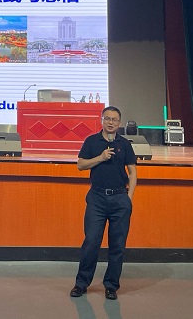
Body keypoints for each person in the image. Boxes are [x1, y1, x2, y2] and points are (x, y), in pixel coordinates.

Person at [70, 106, 137, 301]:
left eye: (114, 119)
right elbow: (80, 165)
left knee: (117, 245)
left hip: (120, 199)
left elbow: (133, 172)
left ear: (119, 123)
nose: (110, 122)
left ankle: (111, 285)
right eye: (107, 118)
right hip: (97, 198)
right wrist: (100, 157)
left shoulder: (125, 144)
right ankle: (81, 283)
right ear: (101, 120)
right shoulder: (92, 141)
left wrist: (129, 197)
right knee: (91, 241)